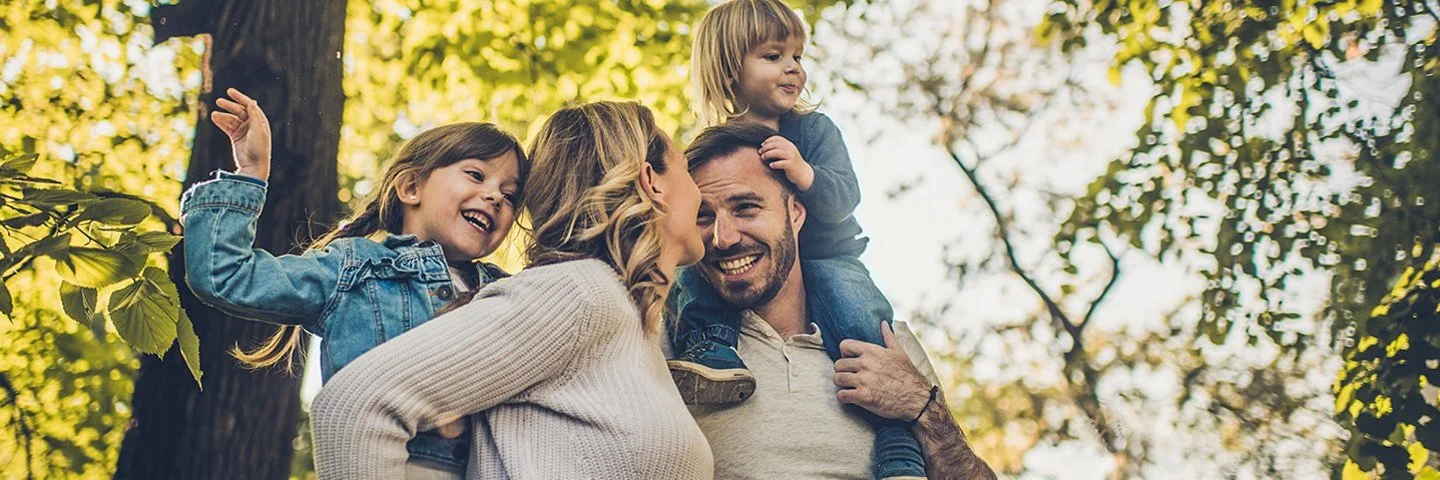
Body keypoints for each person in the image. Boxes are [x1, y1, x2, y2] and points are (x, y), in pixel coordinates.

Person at [309, 101, 715, 479]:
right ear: (651, 181)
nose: (700, 192)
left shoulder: (631, 326)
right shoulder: (579, 294)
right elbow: (354, 406)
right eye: (686, 169)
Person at [181, 88, 525, 477]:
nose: (495, 196)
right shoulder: (355, 268)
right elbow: (224, 274)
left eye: (510, 195)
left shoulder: (507, 293)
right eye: (476, 175)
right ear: (411, 187)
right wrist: (251, 173)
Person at [669, 0, 926, 477]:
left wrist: (806, 175)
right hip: (747, 282)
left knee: (861, 327)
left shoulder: (813, 131)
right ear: (729, 71)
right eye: (773, 57)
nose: (793, 69)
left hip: (828, 257)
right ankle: (711, 348)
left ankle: (897, 447)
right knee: (692, 272)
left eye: (798, 57)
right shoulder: (713, 149)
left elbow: (845, 196)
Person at [679, 122, 998, 480]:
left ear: (796, 213)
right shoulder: (672, 354)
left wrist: (922, 406)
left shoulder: (886, 343)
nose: (723, 238)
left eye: (746, 208)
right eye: (703, 217)